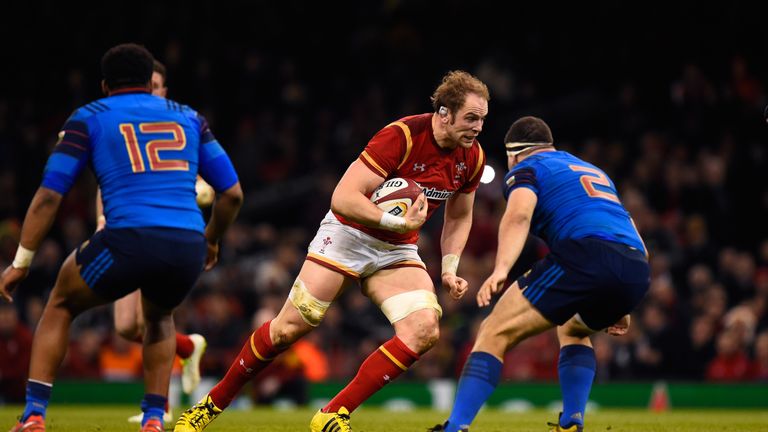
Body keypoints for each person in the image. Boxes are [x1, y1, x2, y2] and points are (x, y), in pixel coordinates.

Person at [174, 70, 489, 432]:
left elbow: (460, 215)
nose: (478, 127)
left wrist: (449, 267)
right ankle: (209, 407)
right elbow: (343, 198)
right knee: (286, 330)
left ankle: (331, 414)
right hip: (348, 236)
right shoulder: (401, 136)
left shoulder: (472, 157)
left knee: (424, 329)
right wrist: (396, 223)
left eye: (481, 119)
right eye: (470, 118)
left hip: (396, 249)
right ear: (444, 113)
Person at [1, 43, 243, 432]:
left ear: (103, 84)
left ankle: (33, 416)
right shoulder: (190, 117)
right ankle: (152, 420)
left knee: (60, 304)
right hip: (186, 246)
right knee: (160, 316)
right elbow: (232, 194)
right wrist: (212, 239)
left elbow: (49, 196)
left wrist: (21, 262)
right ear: (151, 82)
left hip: (128, 239)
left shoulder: (89, 117)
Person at [429, 116, 649, 432]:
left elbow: (518, 216)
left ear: (514, 153)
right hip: (635, 267)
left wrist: (501, 269)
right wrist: (621, 301)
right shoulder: (592, 171)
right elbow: (633, 237)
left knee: (493, 331)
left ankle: (455, 427)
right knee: (573, 330)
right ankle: (572, 420)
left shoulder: (527, 168)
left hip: (586, 255)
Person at [94, 60, 208, 424]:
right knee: (127, 326)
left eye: (158, 85)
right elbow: (105, 180)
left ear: (163, 90)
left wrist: (201, 192)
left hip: (168, 235)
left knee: (156, 320)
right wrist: (101, 220)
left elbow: (206, 181)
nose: (152, 90)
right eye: (149, 84)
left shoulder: (182, 124)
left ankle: (160, 407)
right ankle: (189, 346)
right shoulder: (126, 128)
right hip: (126, 233)